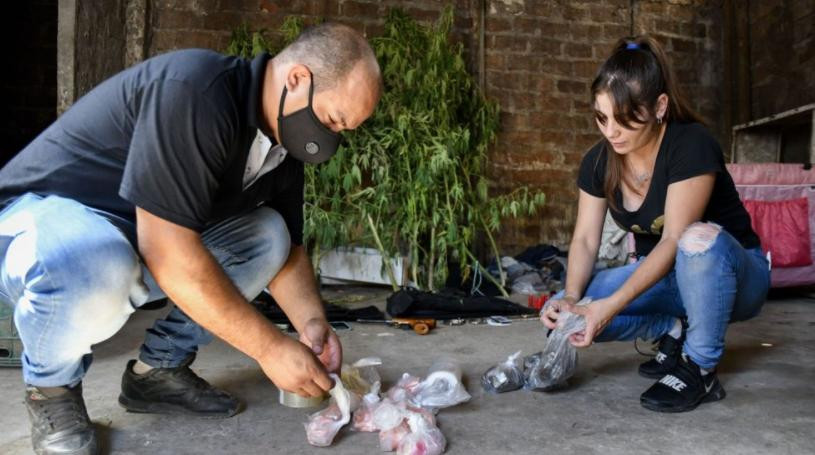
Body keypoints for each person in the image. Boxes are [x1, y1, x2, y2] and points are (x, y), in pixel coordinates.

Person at [0, 23, 381, 455]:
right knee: (95, 265)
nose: (332, 136)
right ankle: (52, 391)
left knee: (268, 234)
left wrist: (312, 325)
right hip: (45, 220)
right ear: (297, 79)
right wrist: (270, 348)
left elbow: (288, 251)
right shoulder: (197, 92)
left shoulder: (281, 146)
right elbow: (168, 252)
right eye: (333, 119)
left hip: (132, 240)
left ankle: (156, 373)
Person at [541, 36, 770, 413]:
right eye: (602, 117)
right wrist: (570, 298)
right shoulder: (599, 162)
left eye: (625, 118)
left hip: (736, 277)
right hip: (668, 282)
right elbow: (583, 240)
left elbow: (673, 241)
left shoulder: (690, 144)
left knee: (696, 240)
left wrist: (608, 307)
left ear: (659, 106)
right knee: (560, 316)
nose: (611, 131)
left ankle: (700, 366)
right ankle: (671, 328)